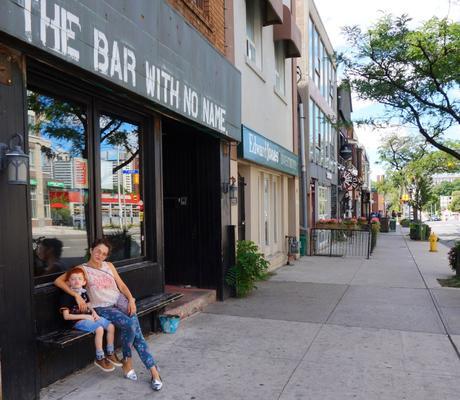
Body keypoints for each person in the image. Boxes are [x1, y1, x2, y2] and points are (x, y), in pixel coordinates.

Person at [54, 239, 163, 392]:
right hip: (102, 307)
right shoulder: (82, 269)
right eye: (98, 251)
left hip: (120, 301)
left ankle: (143, 367)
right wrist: (77, 296)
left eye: (104, 254)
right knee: (131, 326)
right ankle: (139, 365)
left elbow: (122, 286)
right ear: (91, 250)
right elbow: (58, 281)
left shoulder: (109, 266)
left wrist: (131, 299)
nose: (100, 255)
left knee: (137, 333)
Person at [59, 267, 121, 372]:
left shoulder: (83, 293)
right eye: (73, 279)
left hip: (89, 317)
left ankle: (110, 352)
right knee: (99, 328)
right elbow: (66, 316)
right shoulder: (67, 296)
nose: (76, 281)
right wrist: (85, 316)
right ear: (68, 282)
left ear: (84, 282)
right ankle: (100, 357)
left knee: (110, 326)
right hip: (76, 321)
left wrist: (94, 313)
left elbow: (89, 305)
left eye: (79, 279)